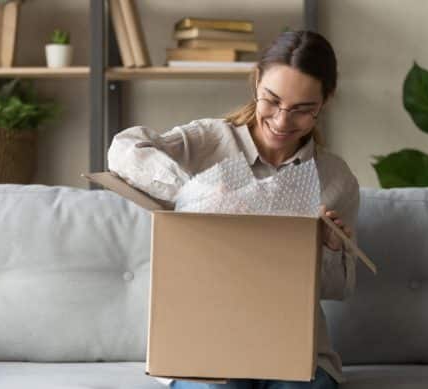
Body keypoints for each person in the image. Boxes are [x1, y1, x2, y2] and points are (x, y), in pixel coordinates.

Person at [108, 30, 359, 389]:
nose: (282, 121)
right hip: (207, 342)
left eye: (303, 110)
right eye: (271, 101)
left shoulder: (335, 178)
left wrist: (331, 250)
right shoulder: (209, 141)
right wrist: (196, 193)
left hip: (295, 348)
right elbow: (123, 149)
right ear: (256, 82)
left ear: (325, 102)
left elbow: (338, 290)